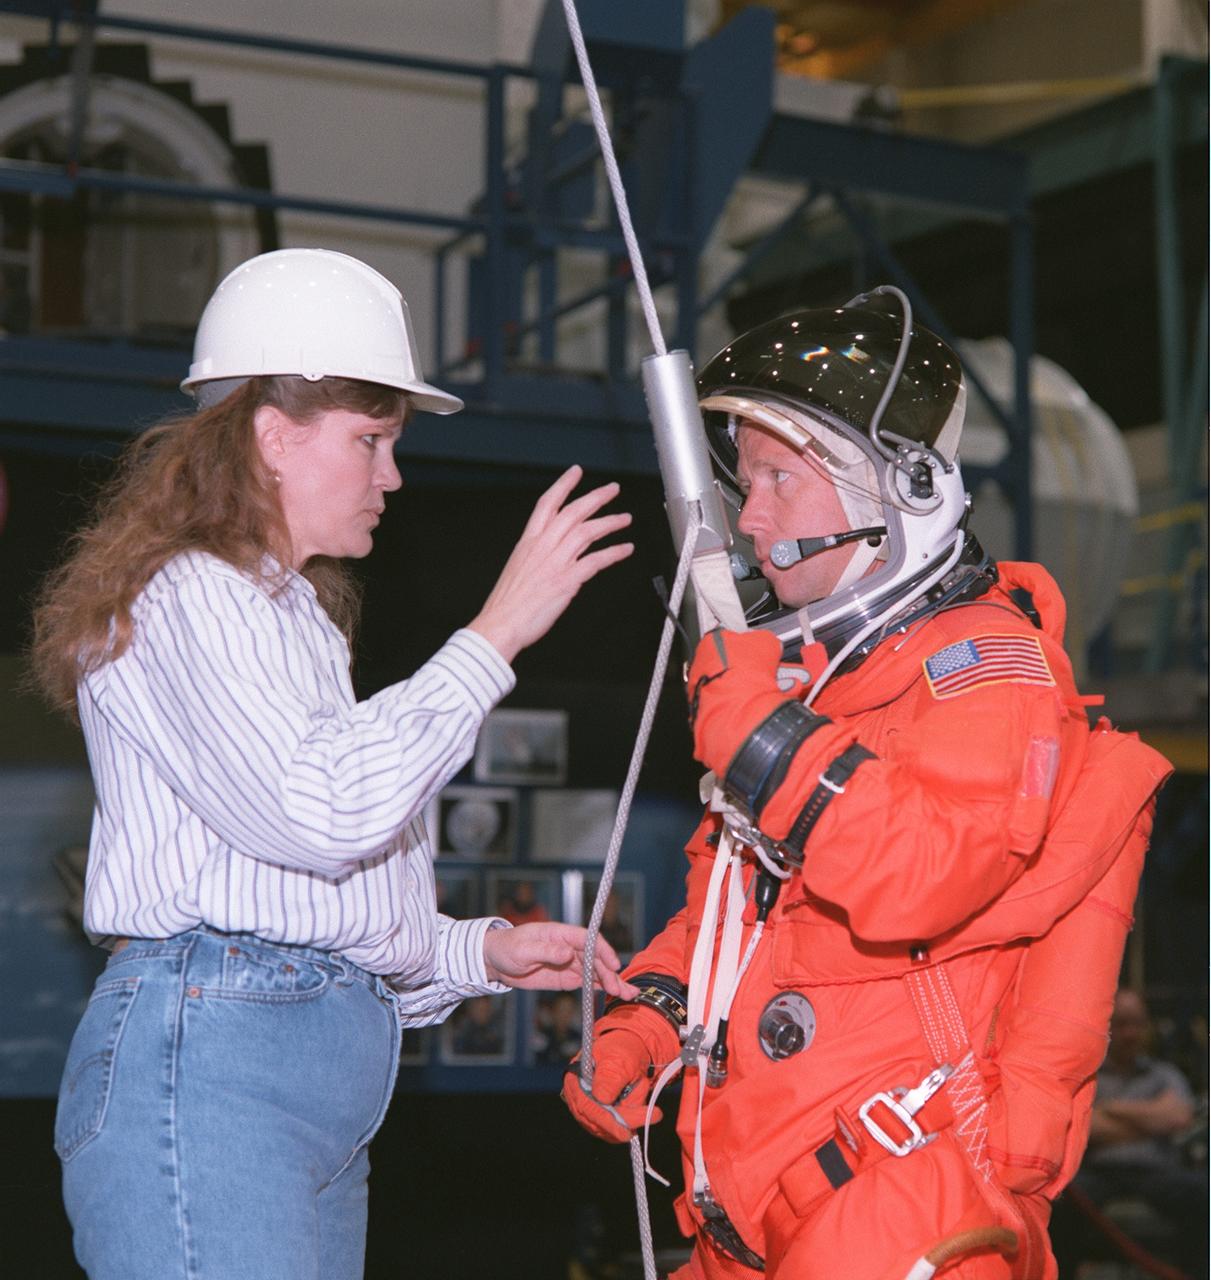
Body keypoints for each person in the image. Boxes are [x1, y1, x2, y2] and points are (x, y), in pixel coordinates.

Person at [30, 247, 638, 1280]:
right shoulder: (186, 594)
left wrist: (476, 952)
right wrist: (495, 633)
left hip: (295, 1079)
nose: (391, 476)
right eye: (370, 440)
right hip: (213, 1066)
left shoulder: (294, 615)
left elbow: (317, 892)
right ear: (273, 433)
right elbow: (320, 812)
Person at [562, 290, 1173, 1279]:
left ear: (904, 490)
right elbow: (740, 910)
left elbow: (922, 871)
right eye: (742, 480)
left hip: (895, 1212)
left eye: (777, 480)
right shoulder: (827, 688)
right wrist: (651, 1018)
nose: (750, 516)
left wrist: (758, 734)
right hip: (752, 1213)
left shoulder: (986, 669)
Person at [1052, 988, 1207, 1279]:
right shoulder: (1087, 1077)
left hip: (1156, 1173)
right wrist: (1151, 1119)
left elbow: (1179, 1116)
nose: (1130, 1033)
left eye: (1137, 1024)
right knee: (1055, 1206)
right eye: (1122, 1023)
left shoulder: (1165, 1074)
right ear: (1107, 1027)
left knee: (1202, 1194)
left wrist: (1112, 1109)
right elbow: (1081, 1128)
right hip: (1097, 1173)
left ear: (1147, 1027)